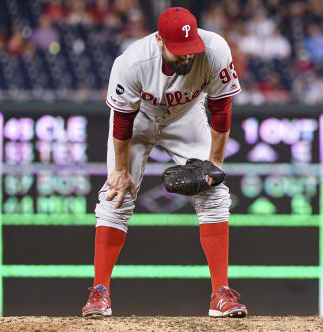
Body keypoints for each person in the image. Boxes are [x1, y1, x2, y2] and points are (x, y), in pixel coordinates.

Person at [81, 7, 247, 318]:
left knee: (215, 194)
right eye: (179, 51)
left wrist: (214, 165)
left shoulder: (215, 51)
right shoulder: (132, 63)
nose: (187, 57)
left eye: (190, 50)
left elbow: (222, 109)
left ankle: (220, 293)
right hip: (140, 120)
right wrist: (119, 171)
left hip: (186, 118)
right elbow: (122, 122)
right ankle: (100, 292)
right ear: (159, 40)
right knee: (116, 197)